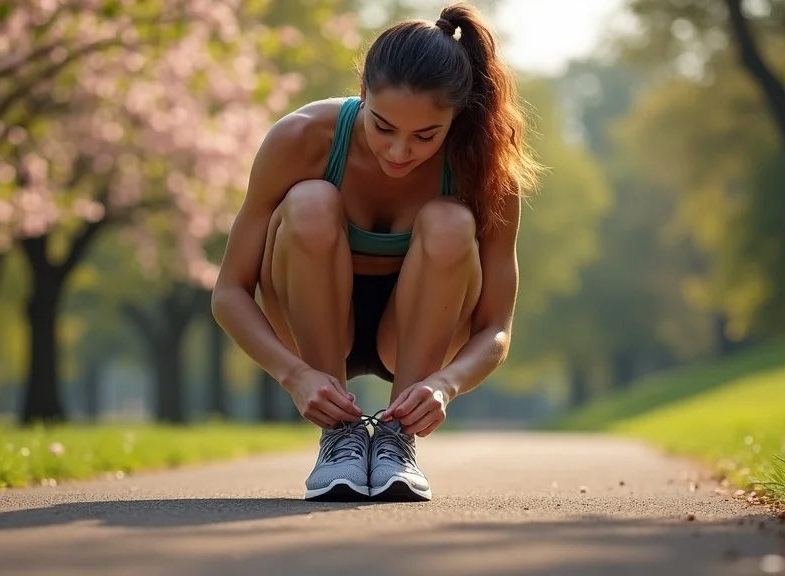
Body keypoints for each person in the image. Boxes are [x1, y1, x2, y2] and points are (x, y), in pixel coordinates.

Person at [211, 1, 542, 503]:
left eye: (425, 136)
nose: (399, 152)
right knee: (311, 201)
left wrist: (445, 386)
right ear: (362, 92)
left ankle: (396, 443)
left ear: (456, 118)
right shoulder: (300, 138)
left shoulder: (487, 171)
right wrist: (294, 374)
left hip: (419, 329)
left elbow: (496, 326)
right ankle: (339, 440)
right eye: (383, 126)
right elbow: (230, 292)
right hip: (308, 320)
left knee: (451, 220)